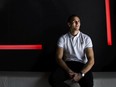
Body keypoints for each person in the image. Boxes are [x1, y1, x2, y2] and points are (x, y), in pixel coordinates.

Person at [48, 15, 95, 87]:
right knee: (53, 79)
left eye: (78, 21)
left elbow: (91, 59)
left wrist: (81, 74)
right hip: (68, 64)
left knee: (89, 84)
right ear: (69, 24)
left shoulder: (86, 38)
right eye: (74, 21)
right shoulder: (63, 38)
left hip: (82, 65)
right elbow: (58, 58)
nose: (77, 23)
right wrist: (68, 71)